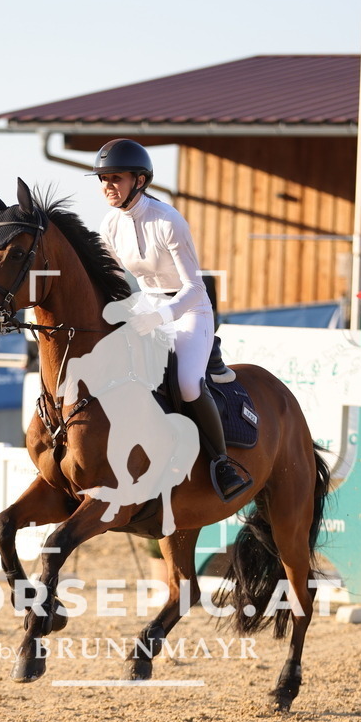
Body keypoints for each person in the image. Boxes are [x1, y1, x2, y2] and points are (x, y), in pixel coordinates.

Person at [91, 138, 249, 501]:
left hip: (189, 309)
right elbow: (114, 281)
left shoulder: (169, 221)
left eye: (115, 178)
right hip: (147, 306)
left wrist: (161, 316)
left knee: (188, 384)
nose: (107, 186)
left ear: (140, 181)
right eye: (103, 179)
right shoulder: (110, 224)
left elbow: (195, 287)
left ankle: (222, 464)